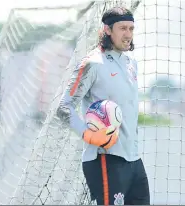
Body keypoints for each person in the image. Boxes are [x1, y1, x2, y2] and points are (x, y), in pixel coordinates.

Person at [57, 6, 150, 206]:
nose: (128, 35)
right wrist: (88, 134)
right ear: (107, 30)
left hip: (134, 159)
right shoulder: (91, 63)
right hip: (105, 159)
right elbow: (64, 107)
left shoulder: (131, 63)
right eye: (122, 28)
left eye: (131, 29)